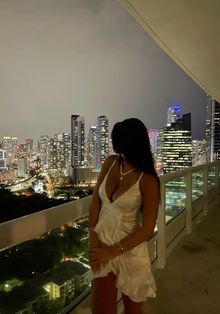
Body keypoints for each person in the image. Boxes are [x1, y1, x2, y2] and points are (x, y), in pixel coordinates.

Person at [89, 118, 160, 314]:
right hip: (102, 242)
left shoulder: (147, 180)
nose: (116, 148)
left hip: (130, 249)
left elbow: (147, 229)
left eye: (119, 143)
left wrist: (113, 251)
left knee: (133, 311)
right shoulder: (111, 163)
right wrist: (93, 238)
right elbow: (96, 201)